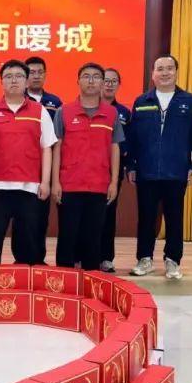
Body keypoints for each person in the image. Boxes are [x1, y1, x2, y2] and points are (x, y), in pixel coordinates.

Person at [126, 55, 192, 280]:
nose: (165, 73)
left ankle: (173, 261)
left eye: (169, 68)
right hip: (147, 171)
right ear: (153, 74)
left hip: (176, 171)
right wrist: (131, 165)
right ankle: (144, 259)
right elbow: (133, 138)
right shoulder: (142, 101)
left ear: (176, 72)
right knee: (146, 218)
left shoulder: (189, 101)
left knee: (174, 218)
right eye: (160, 69)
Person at [0, 59, 57, 265]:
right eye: (8, 77)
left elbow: (47, 148)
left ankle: (26, 279)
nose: (14, 81)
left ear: (27, 81)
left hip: (29, 187)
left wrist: (45, 182)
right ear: (1, 82)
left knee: (28, 242)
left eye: (19, 76)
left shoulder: (40, 111)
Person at [51, 63, 122, 271]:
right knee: (68, 235)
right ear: (78, 81)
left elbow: (115, 148)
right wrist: (55, 182)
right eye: (86, 76)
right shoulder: (64, 111)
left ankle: (92, 280)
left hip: (99, 185)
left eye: (96, 77)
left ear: (102, 82)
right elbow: (57, 148)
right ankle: (62, 281)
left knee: (93, 237)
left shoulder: (111, 113)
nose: (91, 81)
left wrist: (113, 182)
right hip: (69, 184)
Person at [21, 56, 63, 264]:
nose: (36, 76)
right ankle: (21, 258)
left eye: (40, 72)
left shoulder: (55, 103)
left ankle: (39, 258)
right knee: (22, 216)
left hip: (46, 166)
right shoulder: (17, 100)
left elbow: (59, 138)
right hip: (23, 166)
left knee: (41, 216)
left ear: (45, 75)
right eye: (31, 72)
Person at [98, 67, 132, 272]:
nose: (109, 85)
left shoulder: (124, 113)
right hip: (90, 170)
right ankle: (84, 256)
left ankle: (106, 258)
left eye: (113, 81)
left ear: (119, 85)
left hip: (113, 171)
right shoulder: (90, 107)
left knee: (109, 214)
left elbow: (129, 141)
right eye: (106, 80)